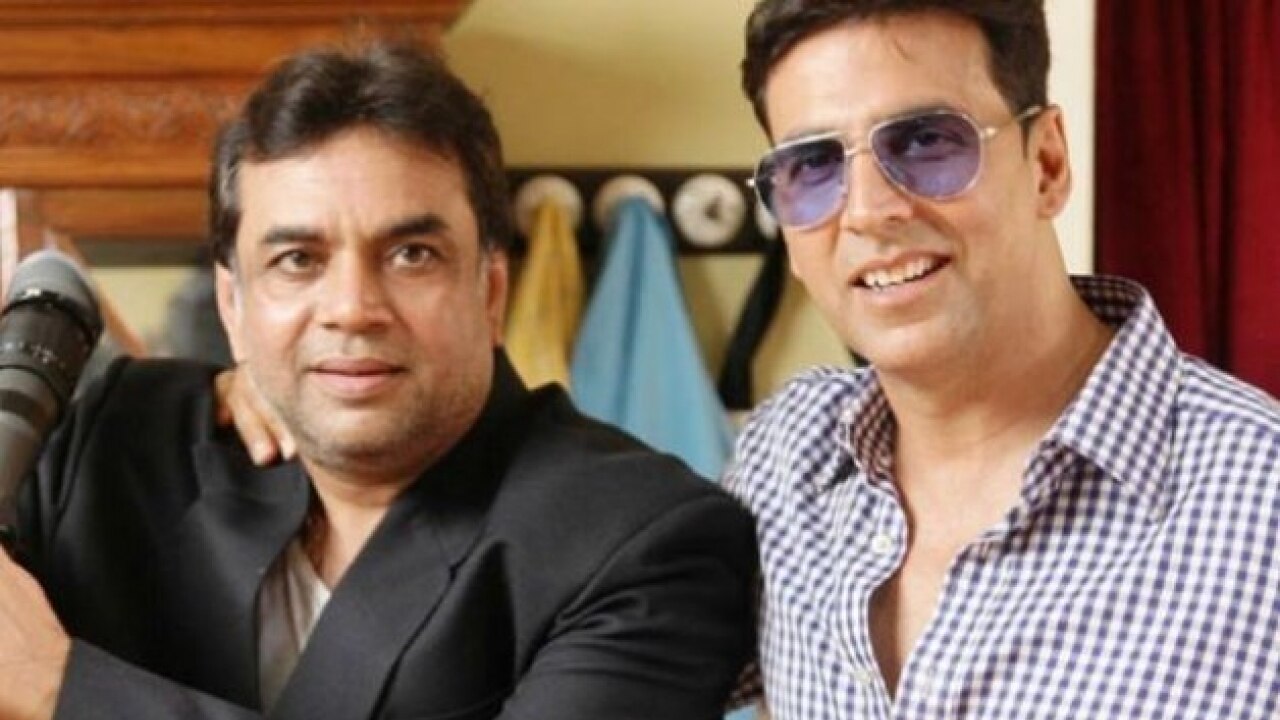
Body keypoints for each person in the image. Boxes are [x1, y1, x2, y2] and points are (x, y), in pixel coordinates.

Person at [0, 41, 757, 719]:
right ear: (233, 304)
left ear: (490, 290)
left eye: (411, 255)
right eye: (297, 260)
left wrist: (62, 690)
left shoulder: (643, 542)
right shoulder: (114, 440)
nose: (352, 309)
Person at [725, 1, 1280, 718]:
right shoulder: (783, 462)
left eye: (927, 141)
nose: (867, 211)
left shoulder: (1264, 509)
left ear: (1047, 164)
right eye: (812, 164)